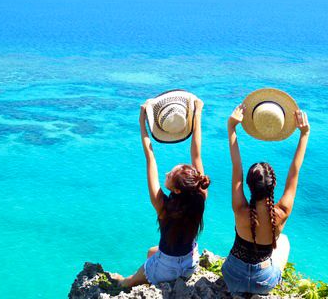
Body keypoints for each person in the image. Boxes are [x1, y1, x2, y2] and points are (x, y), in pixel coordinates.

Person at [119, 98, 209, 287]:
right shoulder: (200, 195)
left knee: (126, 282)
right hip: (190, 262)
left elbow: (150, 156)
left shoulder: (162, 205)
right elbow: (197, 153)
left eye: (170, 175)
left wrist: (142, 121)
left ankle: (125, 284)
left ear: (176, 189)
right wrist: (197, 113)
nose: (166, 173)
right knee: (152, 251)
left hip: (166, 266)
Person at [222, 103, 310, 295]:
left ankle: (239, 292)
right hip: (264, 281)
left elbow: (236, 166)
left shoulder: (240, 208)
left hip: (232, 276)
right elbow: (294, 172)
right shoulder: (282, 212)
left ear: (248, 185)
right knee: (284, 241)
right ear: (274, 185)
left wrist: (231, 127)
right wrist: (304, 134)